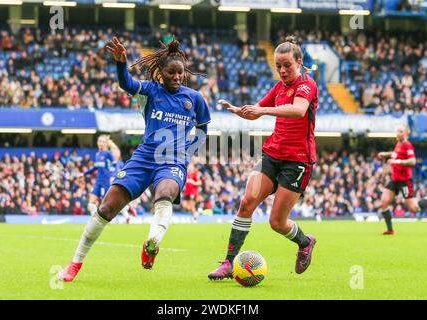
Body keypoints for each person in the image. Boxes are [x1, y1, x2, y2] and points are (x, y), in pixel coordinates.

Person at [59, 37, 210, 282]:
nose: (177, 77)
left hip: (173, 162)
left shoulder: (195, 98)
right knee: (107, 207)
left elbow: (203, 127)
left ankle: (152, 243)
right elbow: (126, 83)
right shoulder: (151, 91)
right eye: (171, 72)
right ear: (160, 72)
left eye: (180, 73)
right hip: (144, 158)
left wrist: (189, 151)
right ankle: (75, 263)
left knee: (165, 193)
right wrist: (121, 63)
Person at [208, 36, 318, 280]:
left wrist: (262, 110)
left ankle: (305, 242)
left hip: (297, 161)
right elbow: (255, 112)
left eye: (287, 65)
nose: (281, 70)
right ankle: (228, 263)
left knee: (277, 222)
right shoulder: (279, 87)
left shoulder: (306, 86)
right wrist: (240, 111)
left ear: (299, 62)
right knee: (247, 202)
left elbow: (299, 110)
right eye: (278, 66)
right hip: (272, 154)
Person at [377, 124, 427, 234]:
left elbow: (412, 161)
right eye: (397, 131)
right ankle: (390, 230)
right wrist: (386, 154)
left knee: (414, 208)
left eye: (401, 131)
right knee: (384, 202)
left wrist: (397, 162)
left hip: (404, 181)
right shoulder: (398, 144)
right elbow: (396, 154)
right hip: (395, 179)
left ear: (406, 133)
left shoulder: (407, 145)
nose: (398, 133)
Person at [80, 135, 119, 216]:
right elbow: (95, 167)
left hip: (106, 181)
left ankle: (124, 212)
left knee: (106, 205)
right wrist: (84, 174)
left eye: (103, 142)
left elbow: (116, 165)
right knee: (90, 204)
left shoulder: (108, 154)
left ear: (106, 144)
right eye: (99, 141)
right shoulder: (97, 154)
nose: (101, 143)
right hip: (98, 181)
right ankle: (94, 220)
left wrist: (113, 176)